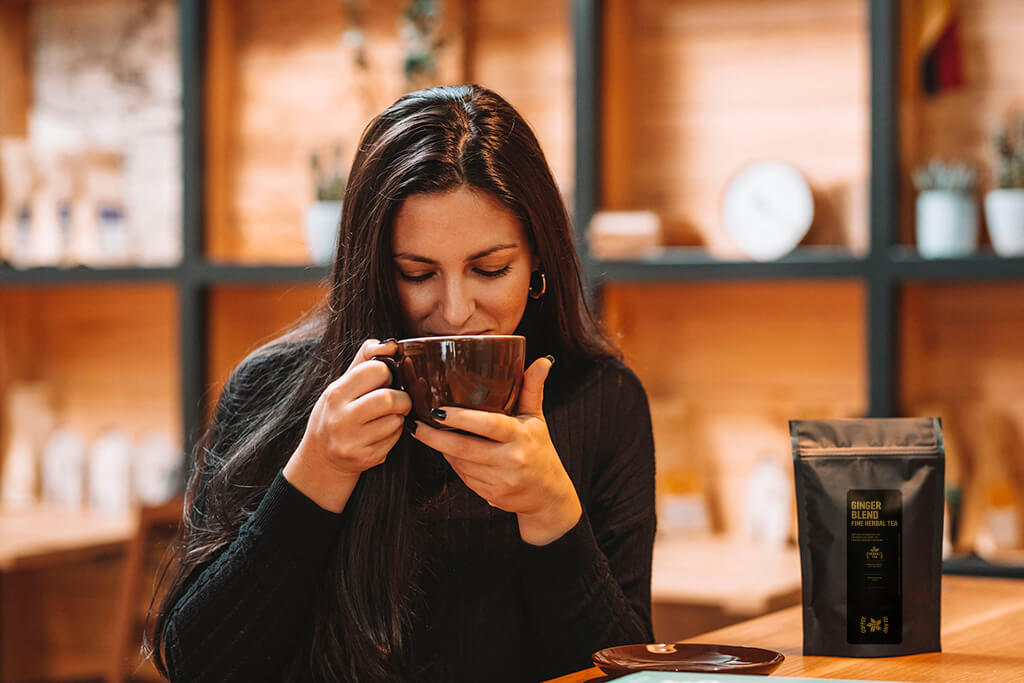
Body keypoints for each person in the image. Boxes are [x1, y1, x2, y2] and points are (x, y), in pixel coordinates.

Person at [151, 84, 655, 682]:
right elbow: (197, 664)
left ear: (539, 259)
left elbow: (628, 672)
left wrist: (552, 512)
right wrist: (316, 474)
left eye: (490, 269)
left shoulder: (600, 398)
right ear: (371, 270)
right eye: (416, 274)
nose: (457, 309)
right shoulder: (274, 387)